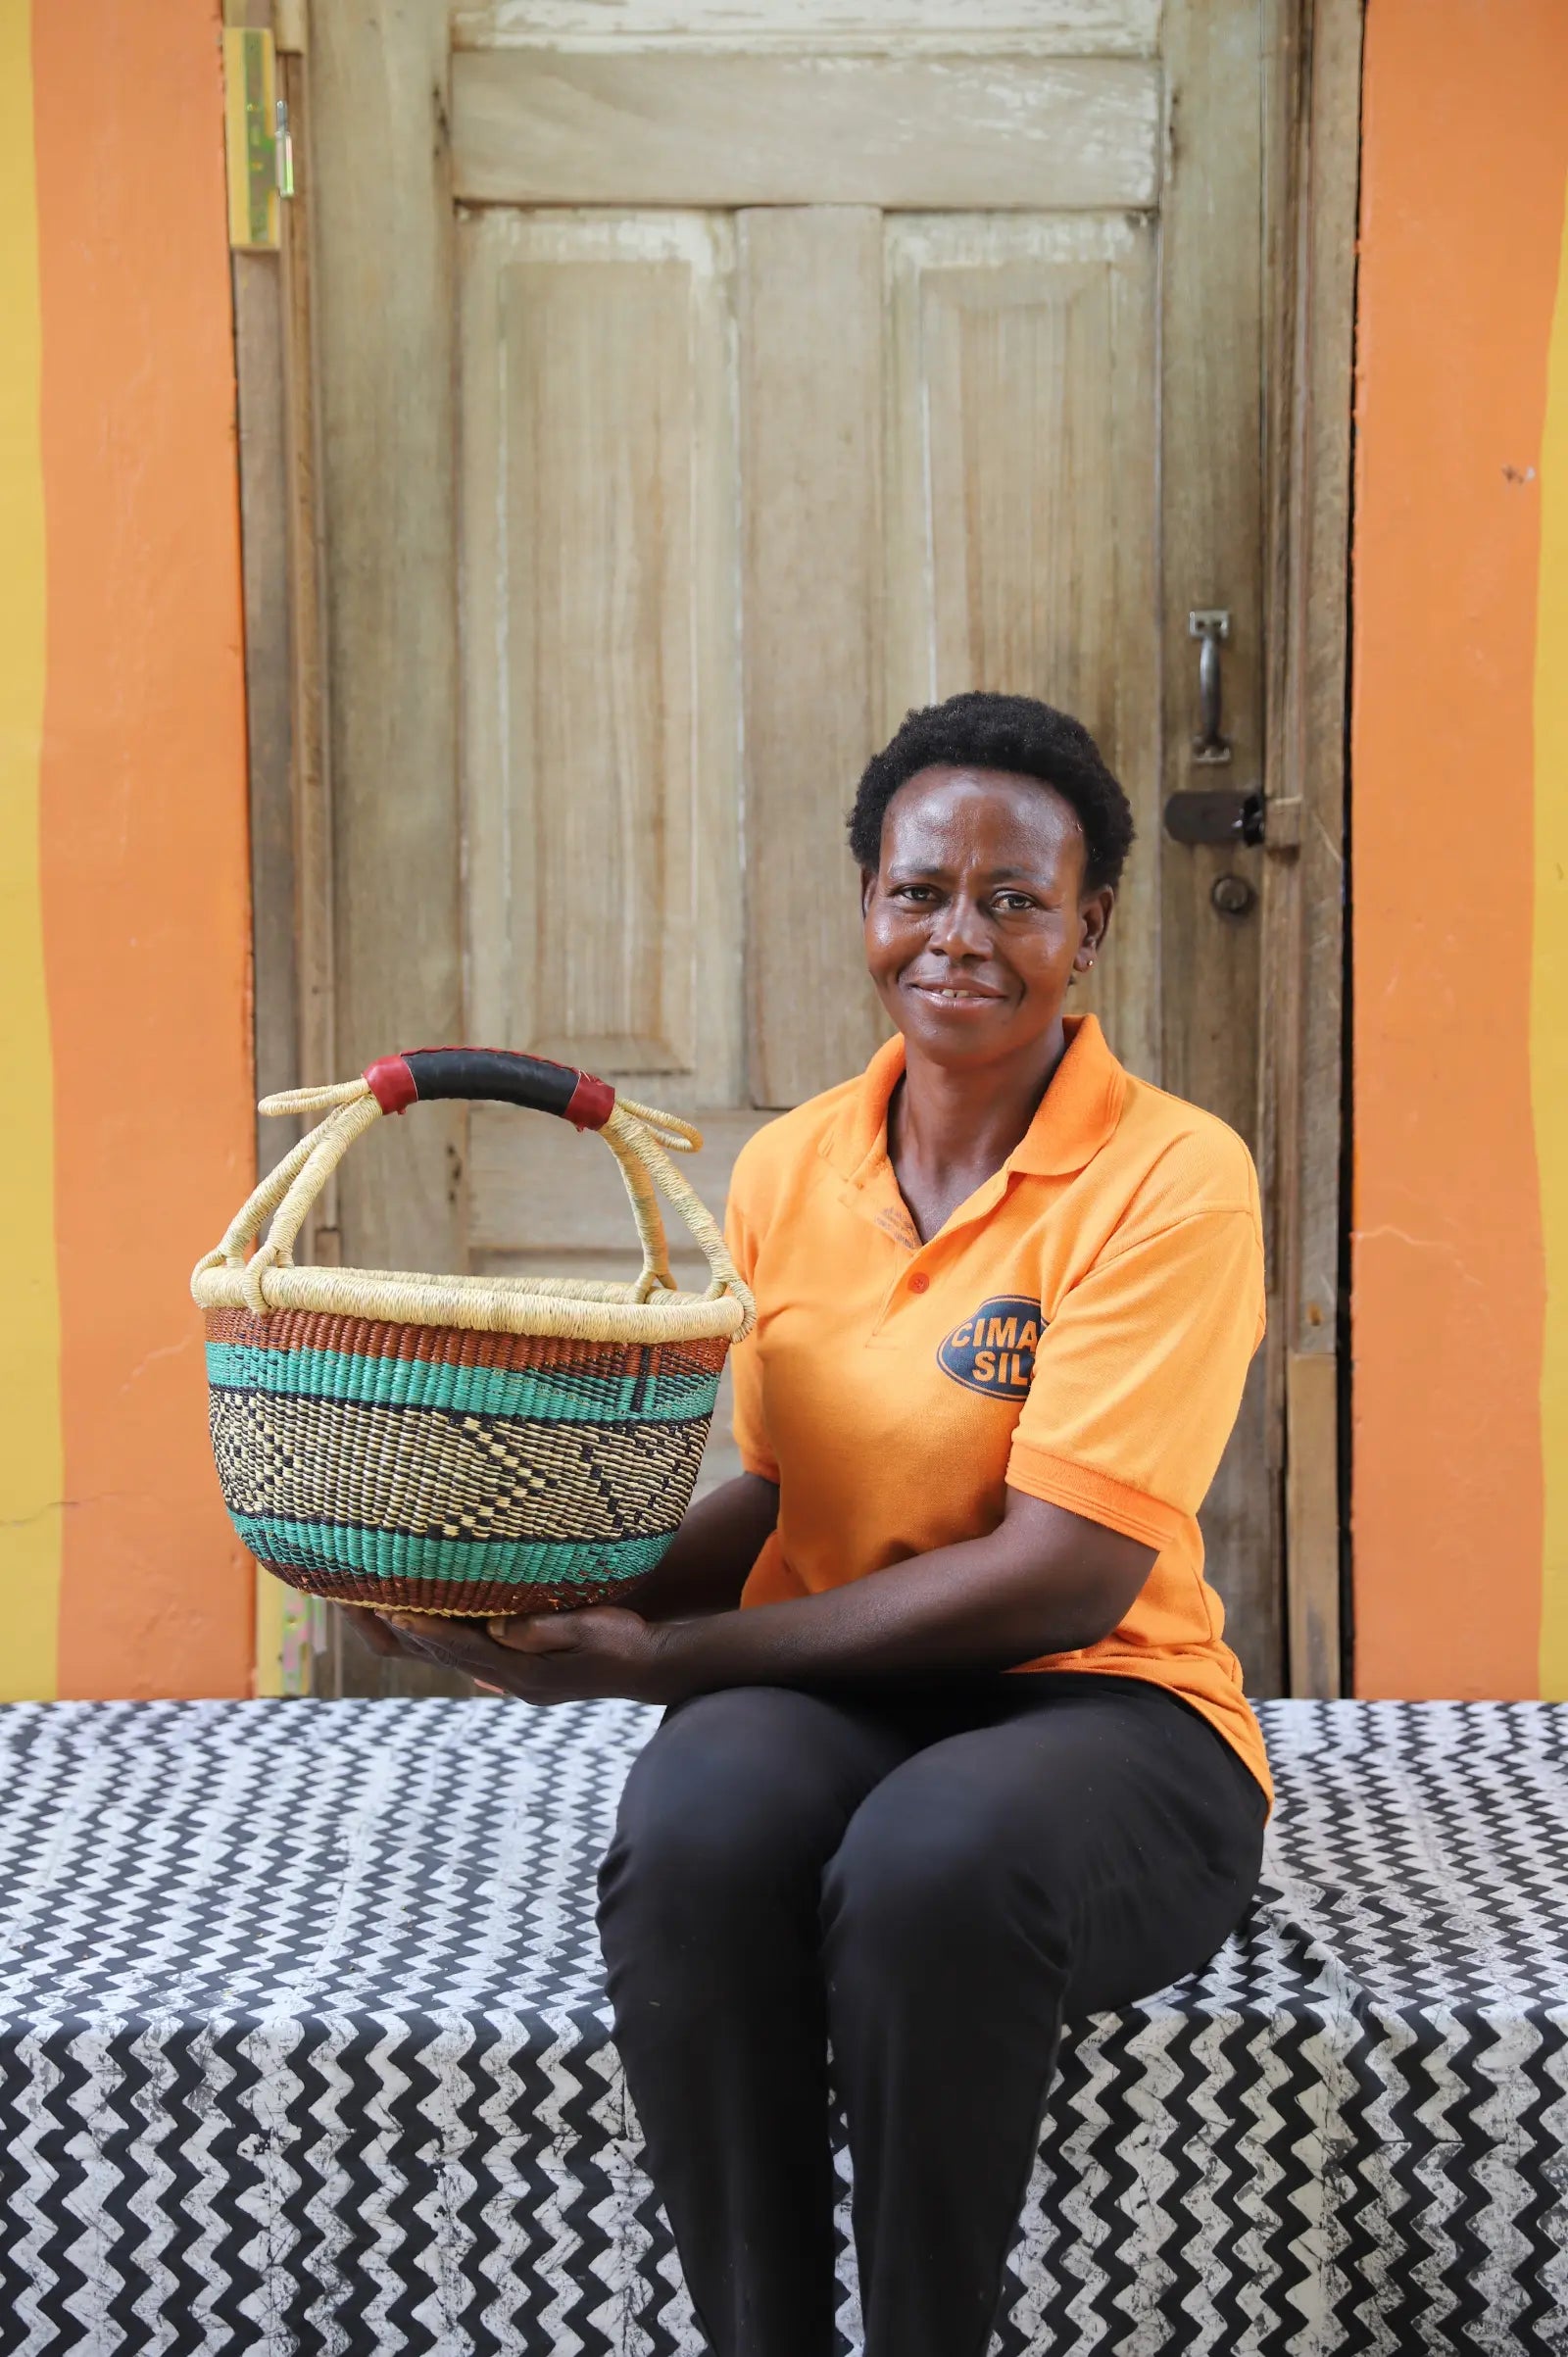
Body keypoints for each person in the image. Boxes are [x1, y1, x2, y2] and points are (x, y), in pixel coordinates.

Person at [356, 690, 1271, 2357]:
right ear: (867, 902)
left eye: (1016, 898)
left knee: (933, 1866)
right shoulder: (788, 1169)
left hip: (1102, 1704)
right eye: (921, 889)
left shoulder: (1173, 1177)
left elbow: (1059, 1569)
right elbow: (776, 1492)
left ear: (1094, 927)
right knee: (696, 1833)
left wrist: (667, 1658)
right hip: (843, 1690)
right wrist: (531, 1589)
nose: (960, 937)